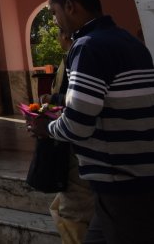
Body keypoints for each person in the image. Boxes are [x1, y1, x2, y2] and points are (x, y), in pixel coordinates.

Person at [27, 0, 154, 244]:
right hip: (148, 178)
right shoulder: (128, 42)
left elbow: (79, 124)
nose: (55, 21)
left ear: (71, 6)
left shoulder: (88, 47)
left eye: (54, 12)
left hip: (125, 185)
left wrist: (45, 127)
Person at [42, 27, 95, 244]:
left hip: (81, 150)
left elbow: (79, 106)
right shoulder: (74, 56)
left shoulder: (82, 53)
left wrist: (48, 127)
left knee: (74, 211)